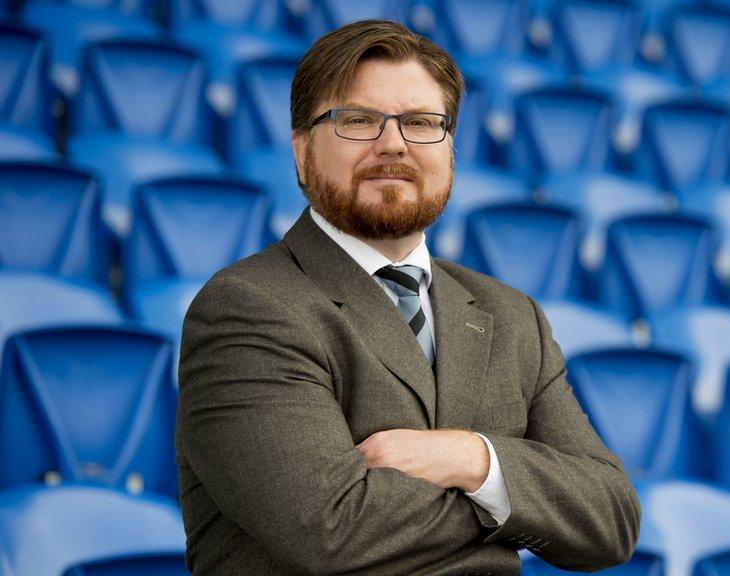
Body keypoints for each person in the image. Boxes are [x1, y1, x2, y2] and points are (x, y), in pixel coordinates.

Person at [175, 19, 641, 575]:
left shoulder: (512, 316)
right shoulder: (247, 307)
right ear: (302, 153)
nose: (392, 143)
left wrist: (473, 459)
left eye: (421, 123)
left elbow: (611, 518)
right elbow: (331, 530)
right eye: (358, 121)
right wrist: (517, 504)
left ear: (450, 151)